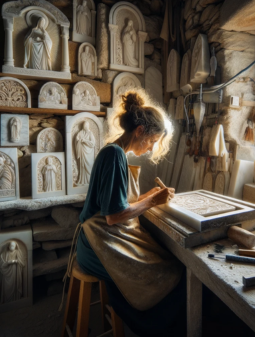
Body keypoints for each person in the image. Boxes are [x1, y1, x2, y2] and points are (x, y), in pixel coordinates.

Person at [71, 91, 185, 336]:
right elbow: (113, 216)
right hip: (95, 243)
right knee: (166, 273)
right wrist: (154, 200)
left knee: (164, 264)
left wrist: (147, 196)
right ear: (140, 131)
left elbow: (115, 204)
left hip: (99, 237)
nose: (151, 147)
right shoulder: (114, 156)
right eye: (153, 140)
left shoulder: (115, 152)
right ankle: (158, 327)